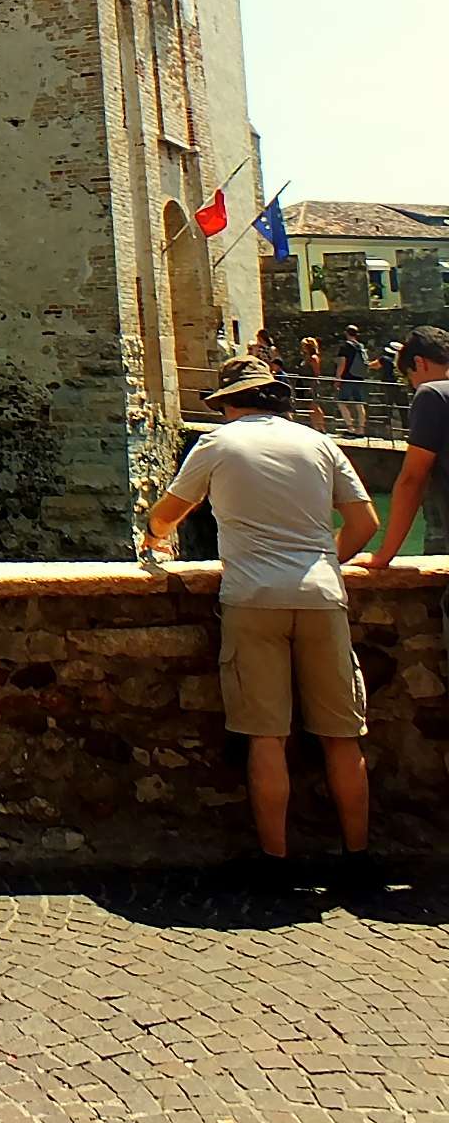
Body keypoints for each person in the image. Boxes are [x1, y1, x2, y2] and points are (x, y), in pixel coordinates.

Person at [144, 355, 379, 876]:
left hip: (252, 598)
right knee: (342, 735)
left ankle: (276, 862)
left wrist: (154, 539)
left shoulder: (217, 444)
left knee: (266, 735)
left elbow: (170, 511)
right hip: (321, 595)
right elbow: (364, 522)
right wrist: (324, 561)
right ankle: (358, 857)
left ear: (228, 403)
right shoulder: (316, 442)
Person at [349, 327, 449, 581]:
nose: (412, 387)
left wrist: (383, 555)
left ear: (419, 363)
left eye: (409, 378)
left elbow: (412, 479)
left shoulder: (433, 394)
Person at [334, 324, 367, 437]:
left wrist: (338, 378)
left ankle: (350, 428)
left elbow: (342, 363)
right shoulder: (360, 346)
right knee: (359, 404)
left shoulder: (345, 347)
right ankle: (361, 429)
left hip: (348, 378)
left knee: (341, 402)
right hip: (359, 377)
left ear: (346, 333)